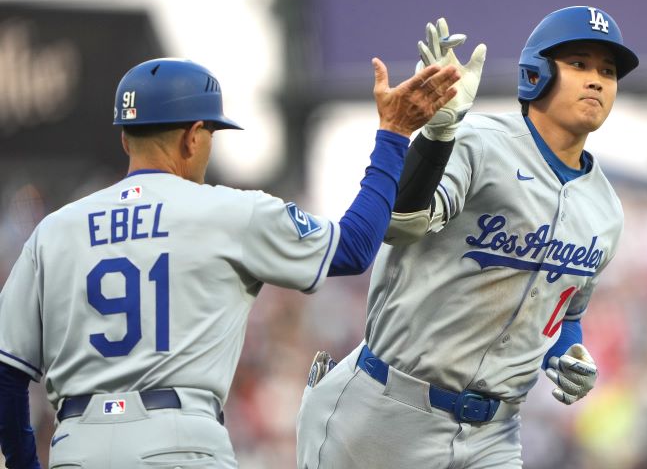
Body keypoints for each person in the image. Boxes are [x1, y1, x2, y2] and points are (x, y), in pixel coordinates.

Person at [0, 56, 460, 468]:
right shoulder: (229, 212)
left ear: (125, 139)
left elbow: (7, 372)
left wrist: (24, 463)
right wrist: (394, 134)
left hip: (77, 445)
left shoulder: (53, 231)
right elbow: (355, 246)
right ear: (192, 137)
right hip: (179, 444)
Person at [296, 6, 639, 468]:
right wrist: (437, 136)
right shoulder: (478, 143)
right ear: (535, 73)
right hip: (386, 411)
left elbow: (565, 311)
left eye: (607, 71)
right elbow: (400, 223)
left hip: (494, 433)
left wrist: (567, 353)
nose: (596, 81)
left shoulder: (606, 209)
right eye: (579, 64)